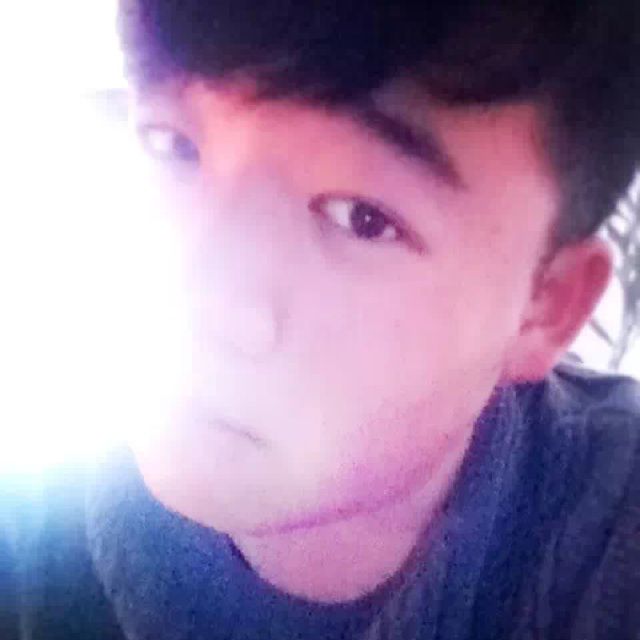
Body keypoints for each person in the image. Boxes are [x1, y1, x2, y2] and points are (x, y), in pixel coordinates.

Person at [2, 1, 640, 638]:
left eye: (362, 218)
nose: (195, 296)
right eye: (173, 145)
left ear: (546, 305)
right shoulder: (31, 528)